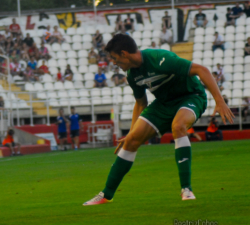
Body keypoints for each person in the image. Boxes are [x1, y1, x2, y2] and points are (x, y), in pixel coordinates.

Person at [83, 34, 233, 206]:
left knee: (178, 126)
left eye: (115, 59)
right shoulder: (132, 75)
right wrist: (131, 132)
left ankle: (186, 189)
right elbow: (140, 102)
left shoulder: (161, 59)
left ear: (125, 54)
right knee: (131, 141)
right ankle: (106, 194)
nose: (115, 63)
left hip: (191, 97)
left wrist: (219, 102)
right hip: (163, 103)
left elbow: (202, 70)